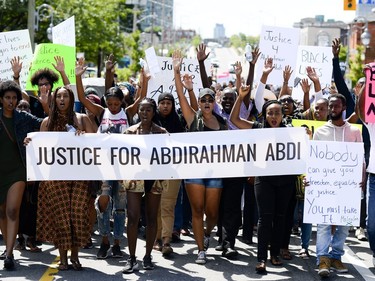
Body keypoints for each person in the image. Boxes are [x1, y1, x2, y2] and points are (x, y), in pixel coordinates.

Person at [76, 56, 146, 259]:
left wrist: (144, 77)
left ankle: (116, 243)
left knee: (120, 207)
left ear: (122, 102)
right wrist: (78, 77)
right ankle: (104, 239)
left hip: (124, 169)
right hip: (105, 168)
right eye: (111, 103)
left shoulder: (128, 112)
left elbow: (142, 98)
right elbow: (81, 98)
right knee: (104, 203)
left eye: (117, 104)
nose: (114, 107)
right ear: (106, 102)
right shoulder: (101, 112)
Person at [230, 85, 296, 274]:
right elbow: (235, 120)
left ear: (283, 115)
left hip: (286, 182)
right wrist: (240, 97)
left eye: (277, 113)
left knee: (280, 218)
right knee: (265, 219)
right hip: (264, 181)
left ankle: (274, 254)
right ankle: (261, 259)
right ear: (264, 115)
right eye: (270, 113)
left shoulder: (291, 132)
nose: (274, 117)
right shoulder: (257, 128)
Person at [173, 49, 227, 264]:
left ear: (214, 102)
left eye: (209, 100)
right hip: (194, 172)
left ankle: (206, 232)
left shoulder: (222, 125)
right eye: (203, 99)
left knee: (212, 214)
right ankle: (201, 249)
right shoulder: (191, 119)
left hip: (215, 173)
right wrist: (177, 72)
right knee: (197, 210)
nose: (205, 102)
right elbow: (180, 96)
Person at [35, 85, 95, 271]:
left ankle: (75, 256)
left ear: (71, 99)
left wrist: (84, 137)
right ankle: (63, 258)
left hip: (79, 176)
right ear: (54, 100)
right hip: (55, 178)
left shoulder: (82, 119)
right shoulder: (47, 122)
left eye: (65, 96)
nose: (62, 99)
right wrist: (31, 142)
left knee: (76, 214)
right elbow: (40, 148)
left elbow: (97, 144)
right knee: (61, 217)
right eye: (58, 96)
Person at [314, 93, 363, 277]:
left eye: (337, 106)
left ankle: (336, 256)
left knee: (343, 224)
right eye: (331, 106)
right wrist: (310, 178)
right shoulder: (320, 132)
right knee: (324, 222)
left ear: (344, 108)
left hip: (348, 186)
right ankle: (322, 259)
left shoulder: (354, 131)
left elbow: (360, 158)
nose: (333, 109)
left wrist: (362, 178)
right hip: (325, 185)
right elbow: (315, 159)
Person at [122, 98, 167, 273]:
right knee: (132, 217)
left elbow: (168, 157)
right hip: (134, 178)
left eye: (148, 110)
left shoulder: (162, 133)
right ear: (138, 112)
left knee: (151, 217)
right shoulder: (129, 133)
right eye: (142, 110)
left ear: (153, 112)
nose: (145, 113)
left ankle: (147, 256)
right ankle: (131, 257)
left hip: (154, 179)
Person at [0, 80, 42, 269]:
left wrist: (31, 137)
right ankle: (8, 248)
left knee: (12, 211)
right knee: (1, 212)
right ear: (1, 99)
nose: (11, 101)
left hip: (18, 171)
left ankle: (9, 254)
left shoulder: (24, 118)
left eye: (14, 98)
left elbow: (46, 124)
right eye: (7, 98)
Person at [152, 92, 187, 256]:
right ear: (158, 105)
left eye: (169, 103)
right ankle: (156, 238)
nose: (165, 106)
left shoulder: (178, 122)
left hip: (173, 171)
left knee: (167, 206)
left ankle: (166, 240)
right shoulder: (151, 121)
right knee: (155, 206)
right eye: (162, 103)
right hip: (153, 171)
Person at [356, 70, 375, 267]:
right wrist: (368, 83)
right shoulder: (372, 124)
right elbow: (361, 109)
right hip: (374, 179)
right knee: (371, 225)